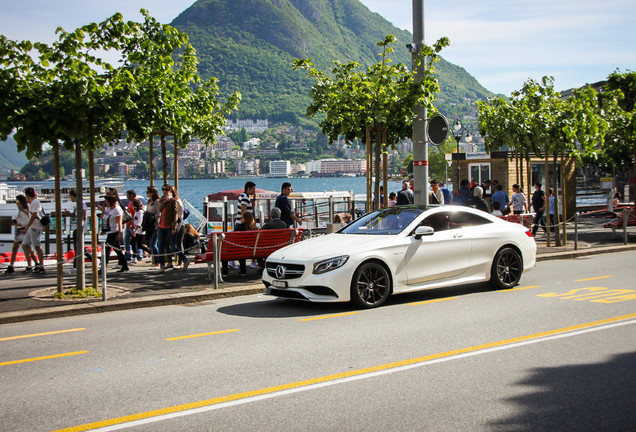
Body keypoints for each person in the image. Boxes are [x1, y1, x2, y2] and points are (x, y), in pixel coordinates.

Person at [156, 184, 189, 273]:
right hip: (161, 226)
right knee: (160, 246)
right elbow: (159, 213)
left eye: (166, 189)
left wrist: (174, 227)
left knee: (174, 247)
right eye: (163, 189)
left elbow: (176, 214)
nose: (164, 191)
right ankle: (162, 266)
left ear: (170, 190)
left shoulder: (173, 201)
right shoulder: (161, 201)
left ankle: (185, 260)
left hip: (170, 226)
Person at [5, 195, 37, 274]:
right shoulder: (22, 211)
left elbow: (25, 223)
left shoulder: (24, 210)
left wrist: (15, 224)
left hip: (22, 231)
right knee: (27, 248)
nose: (17, 203)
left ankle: (28, 265)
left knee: (23, 248)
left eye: (17, 201)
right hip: (21, 231)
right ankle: (36, 263)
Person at [64, 189, 92, 271]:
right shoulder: (77, 205)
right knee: (78, 247)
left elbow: (84, 215)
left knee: (78, 247)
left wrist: (81, 225)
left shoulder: (81, 204)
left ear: (73, 195)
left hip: (79, 228)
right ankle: (91, 259)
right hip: (76, 227)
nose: (70, 198)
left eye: (70, 196)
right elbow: (77, 216)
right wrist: (70, 215)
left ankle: (76, 265)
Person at [222, 212, 257, 276]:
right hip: (252, 251)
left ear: (245, 219)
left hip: (240, 250)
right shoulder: (255, 229)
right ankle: (243, 271)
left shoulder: (239, 227)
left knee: (224, 252)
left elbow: (233, 238)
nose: (241, 219)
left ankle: (225, 272)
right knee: (242, 250)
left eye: (242, 217)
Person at [21, 187, 46, 274]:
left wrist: (26, 227)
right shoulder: (33, 202)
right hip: (32, 227)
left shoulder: (35, 202)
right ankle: (30, 265)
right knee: (25, 245)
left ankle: (41, 266)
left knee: (37, 246)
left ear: (27, 195)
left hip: (35, 227)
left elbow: (34, 215)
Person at [102, 195, 129, 273]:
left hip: (114, 231)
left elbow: (119, 222)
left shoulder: (117, 210)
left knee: (107, 249)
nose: (105, 202)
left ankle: (104, 267)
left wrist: (120, 232)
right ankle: (125, 265)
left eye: (106, 201)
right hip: (109, 230)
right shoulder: (108, 209)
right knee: (117, 249)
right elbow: (104, 217)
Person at [130, 199, 146, 264]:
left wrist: (134, 231)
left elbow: (139, 223)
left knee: (139, 245)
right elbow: (135, 220)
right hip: (137, 230)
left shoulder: (140, 212)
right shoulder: (136, 212)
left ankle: (150, 252)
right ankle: (134, 257)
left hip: (140, 231)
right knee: (133, 243)